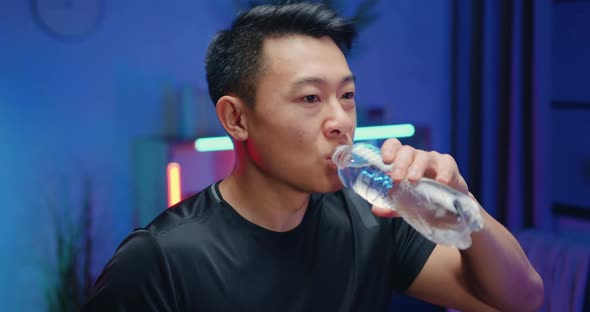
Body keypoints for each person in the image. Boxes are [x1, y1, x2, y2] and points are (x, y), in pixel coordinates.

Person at [82, 3, 543, 311]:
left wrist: (466, 207)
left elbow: (520, 299)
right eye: (309, 99)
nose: (340, 119)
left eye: (347, 95)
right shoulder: (159, 259)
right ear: (236, 119)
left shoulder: (372, 219)